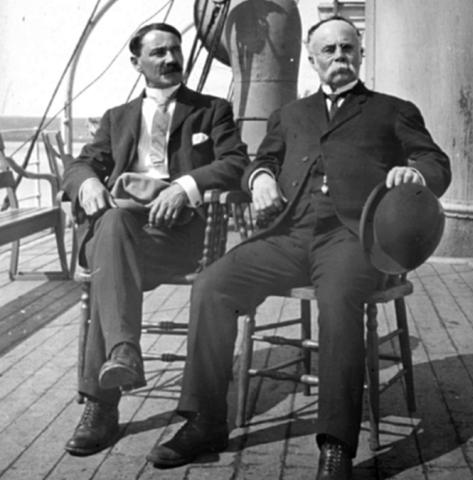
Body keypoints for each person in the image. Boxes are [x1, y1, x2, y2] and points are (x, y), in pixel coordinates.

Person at [147, 16, 452, 480]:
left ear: (361, 54)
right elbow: (262, 159)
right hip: (289, 235)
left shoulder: (393, 109)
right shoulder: (290, 115)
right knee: (212, 285)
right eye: (328, 51)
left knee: (338, 302)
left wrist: (416, 175)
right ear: (311, 60)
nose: (339, 58)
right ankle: (205, 422)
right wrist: (262, 177)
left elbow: (434, 161)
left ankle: (335, 445)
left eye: (347, 49)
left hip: (353, 237)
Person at [62, 22, 248, 456]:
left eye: (175, 50)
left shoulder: (211, 110)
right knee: (110, 226)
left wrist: (184, 187)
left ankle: (101, 407)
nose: (170, 59)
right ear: (137, 63)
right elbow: (81, 164)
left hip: (177, 237)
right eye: (159, 52)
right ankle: (122, 354)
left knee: (109, 266)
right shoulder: (117, 118)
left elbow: (236, 162)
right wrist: (86, 182)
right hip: (123, 232)